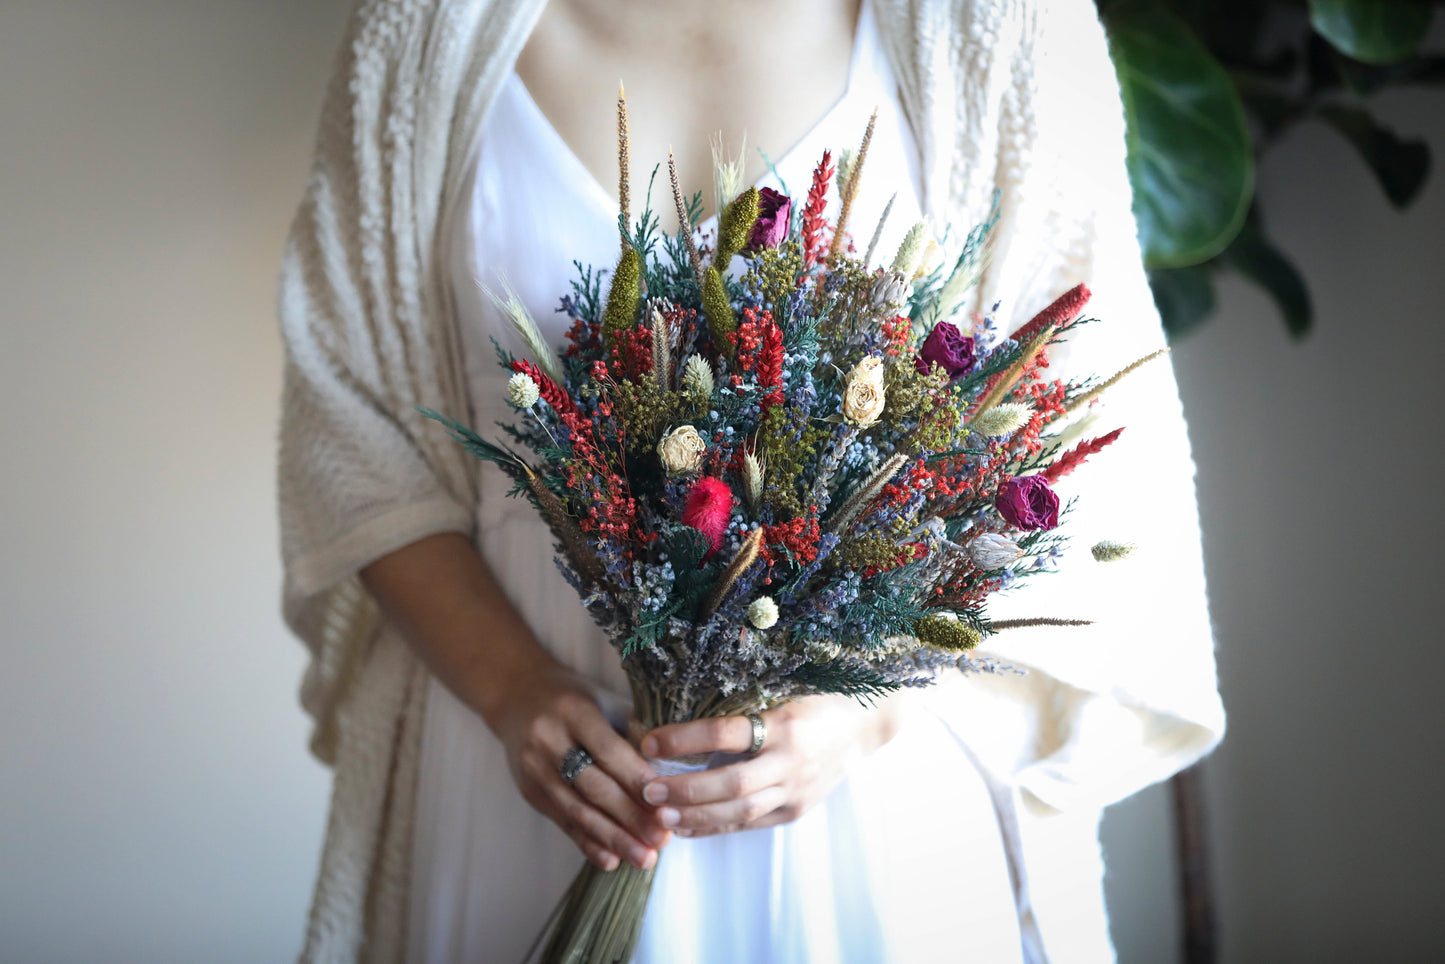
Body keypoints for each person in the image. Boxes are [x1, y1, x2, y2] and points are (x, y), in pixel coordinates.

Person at [276, 0, 1226, 961]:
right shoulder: (421, 27)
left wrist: (868, 711)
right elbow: (352, 427)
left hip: (878, 816)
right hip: (526, 783)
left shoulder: (997, 22)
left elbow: (1078, 427)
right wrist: (514, 690)